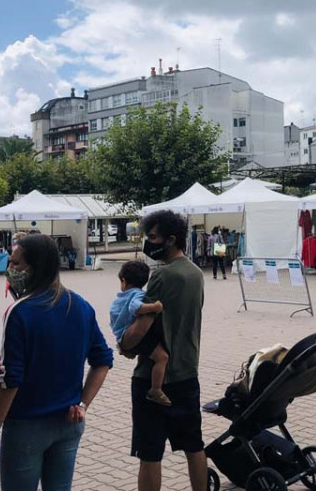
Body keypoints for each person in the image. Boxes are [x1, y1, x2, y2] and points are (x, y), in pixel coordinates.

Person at [0, 235, 112, 489]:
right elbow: (103, 361)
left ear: (35, 267)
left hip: (26, 427)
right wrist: (83, 403)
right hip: (69, 423)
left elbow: (9, 381)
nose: (10, 270)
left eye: (16, 264)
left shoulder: (20, 312)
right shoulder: (80, 305)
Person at [124, 210, 207, 491]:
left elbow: (140, 327)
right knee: (194, 446)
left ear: (171, 240)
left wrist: (124, 345)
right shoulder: (196, 274)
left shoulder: (162, 277)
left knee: (150, 454)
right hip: (187, 372)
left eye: (153, 237)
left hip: (152, 379)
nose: (149, 243)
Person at [110, 261, 170, 406]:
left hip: (122, 336)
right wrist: (153, 307)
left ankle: (129, 350)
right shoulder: (137, 294)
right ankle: (156, 389)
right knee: (162, 358)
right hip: (134, 336)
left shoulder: (119, 297)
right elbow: (135, 307)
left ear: (123, 281)